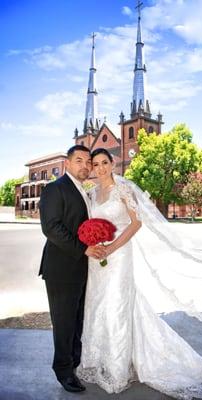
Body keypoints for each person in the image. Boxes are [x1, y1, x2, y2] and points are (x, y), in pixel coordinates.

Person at [77, 148, 202, 399]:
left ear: (112, 164)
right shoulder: (91, 193)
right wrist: (94, 245)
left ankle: (117, 369)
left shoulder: (123, 190)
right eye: (95, 164)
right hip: (97, 258)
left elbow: (136, 223)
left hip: (119, 256)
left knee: (117, 306)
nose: (99, 168)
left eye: (104, 163)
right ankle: (97, 360)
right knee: (97, 305)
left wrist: (111, 247)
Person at [39, 145, 106, 393]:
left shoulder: (84, 192)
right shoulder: (55, 189)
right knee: (64, 322)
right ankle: (63, 371)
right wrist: (83, 249)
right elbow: (51, 227)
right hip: (61, 269)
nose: (85, 166)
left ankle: (75, 363)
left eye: (88, 161)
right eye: (79, 160)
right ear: (67, 164)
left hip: (80, 268)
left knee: (77, 321)